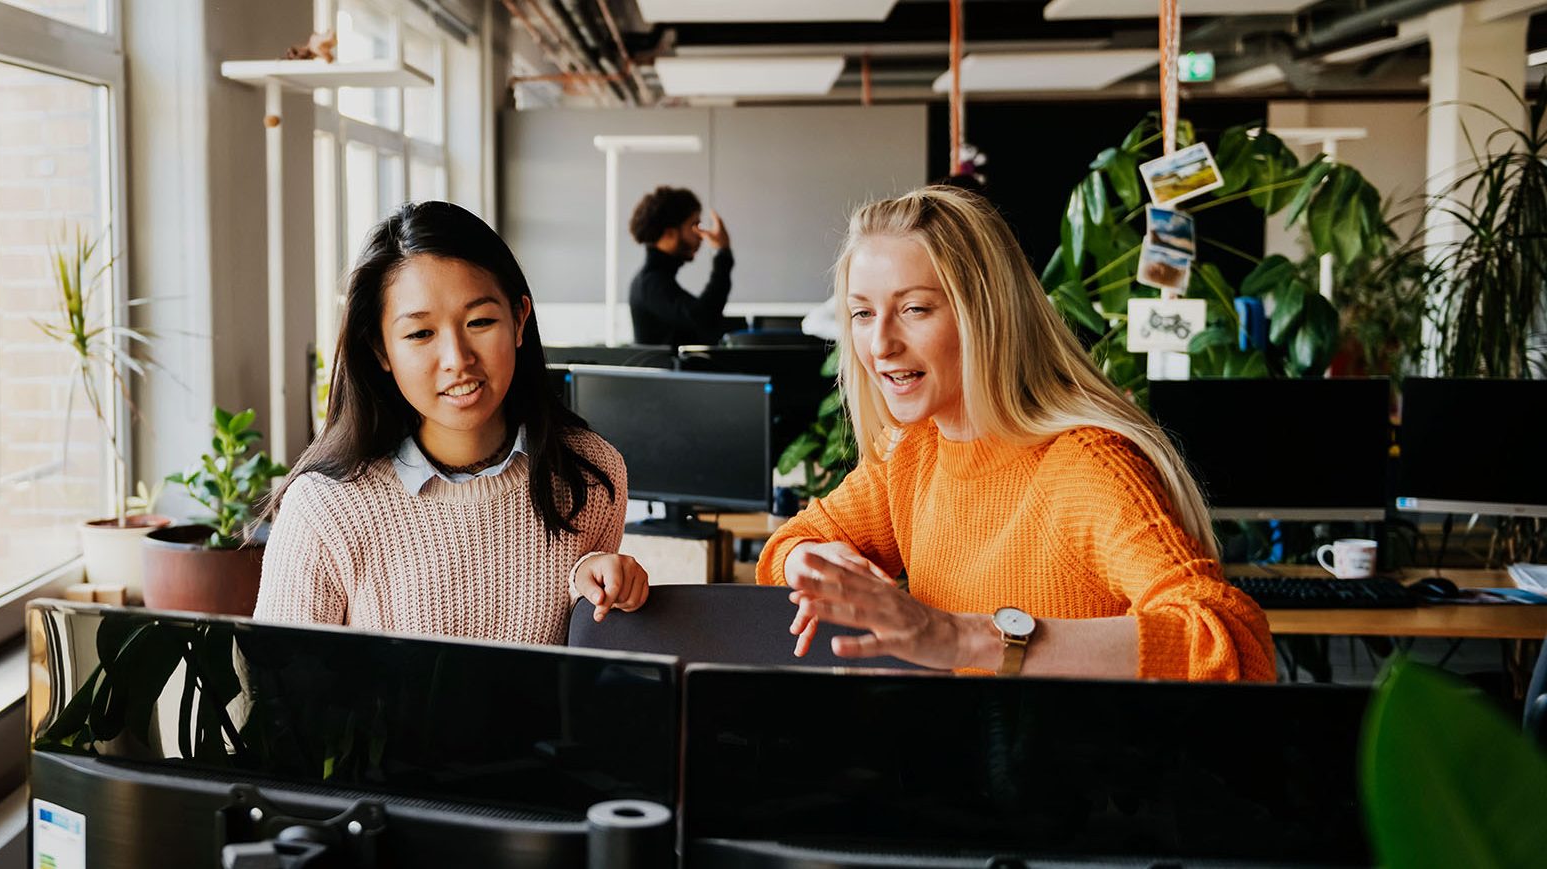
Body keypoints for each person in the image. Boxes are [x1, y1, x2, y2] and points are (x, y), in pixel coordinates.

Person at [760, 186, 1272, 681]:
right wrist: (813, 560)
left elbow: (1227, 639)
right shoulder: (914, 451)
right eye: (863, 314)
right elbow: (787, 546)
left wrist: (969, 640)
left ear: (985, 314)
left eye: (914, 309)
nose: (880, 344)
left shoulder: (1085, 465)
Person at [257, 201, 650, 645]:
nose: (458, 360)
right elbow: (279, 692)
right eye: (420, 333)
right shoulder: (325, 508)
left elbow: (573, 652)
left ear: (519, 320)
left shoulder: (588, 473)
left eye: (480, 321)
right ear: (381, 350)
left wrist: (598, 582)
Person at [628, 186, 734, 346]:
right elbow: (703, 317)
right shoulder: (650, 283)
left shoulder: (653, 279)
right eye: (694, 225)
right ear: (669, 233)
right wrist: (722, 253)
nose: (701, 235)